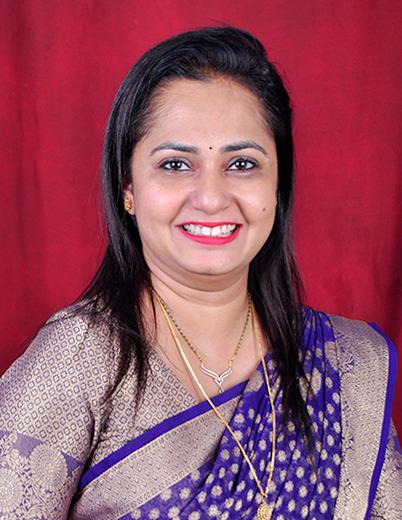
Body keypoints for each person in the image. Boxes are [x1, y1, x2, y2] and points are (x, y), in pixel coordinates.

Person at [0, 25, 400, 520]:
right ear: (128, 188)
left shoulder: (345, 369)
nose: (211, 198)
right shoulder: (78, 359)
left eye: (242, 164)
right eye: (175, 165)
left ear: (278, 186)